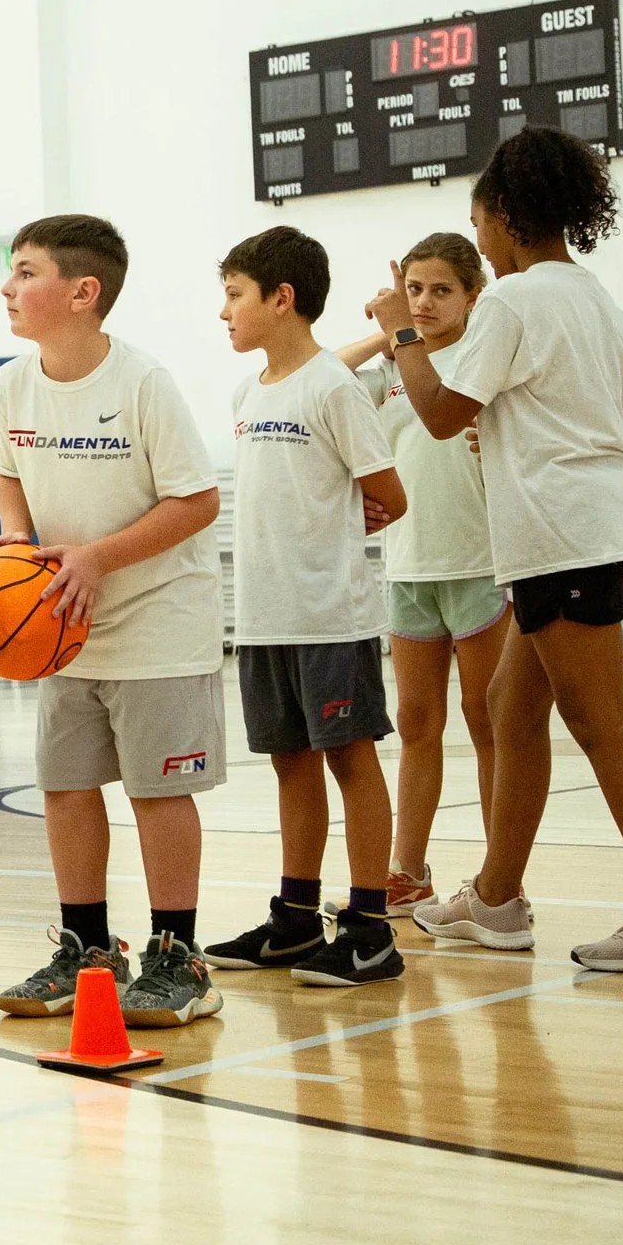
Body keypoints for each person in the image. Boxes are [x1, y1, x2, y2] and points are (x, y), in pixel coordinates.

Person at [380, 125, 623, 973]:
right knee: (509, 705)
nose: (483, 239)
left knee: (600, 721)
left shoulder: (514, 299)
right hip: (603, 525)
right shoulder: (600, 301)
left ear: (503, 216)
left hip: (563, 533)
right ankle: (496, 898)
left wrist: (403, 333)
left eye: (479, 221)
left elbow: (437, 411)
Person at [0, 214, 229, 1030]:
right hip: (63, 626)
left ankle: (176, 958)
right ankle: (87, 947)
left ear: (83, 292)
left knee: (158, 793)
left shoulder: (143, 383)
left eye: (25, 272)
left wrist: (97, 558)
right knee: (65, 786)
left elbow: (198, 500)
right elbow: (10, 476)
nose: (8, 287)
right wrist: (17, 543)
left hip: (158, 622)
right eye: (11, 273)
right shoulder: (9, 384)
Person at [208, 227, 409, 988]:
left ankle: (368, 925)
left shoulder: (332, 388)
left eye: (234, 294)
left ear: (281, 298)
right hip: (264, 615)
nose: (223, 312)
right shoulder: (247, 391)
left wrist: (329, 528)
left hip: (330, 616)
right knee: (291, 764)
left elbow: (389, 495)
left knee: (351, 760)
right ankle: (295, 917)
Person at [333, 234, 508, 911]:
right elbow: (326, 376)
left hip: (481, 562)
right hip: (407, 567)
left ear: (473, 294)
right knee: (415, 722)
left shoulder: (479, 358)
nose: (426, 301)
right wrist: (387, 337)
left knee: (486, 716)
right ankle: (407, 869)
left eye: (442, 289)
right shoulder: (393, 365)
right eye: (415, 288)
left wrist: (401, 326)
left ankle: (501, 875)